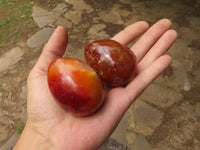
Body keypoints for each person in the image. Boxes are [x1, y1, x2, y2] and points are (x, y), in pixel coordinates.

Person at [13, 19, 177, 150]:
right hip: (92, 99)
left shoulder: (67, 70)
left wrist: (40, 138)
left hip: (91, 99)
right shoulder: (89, 86)